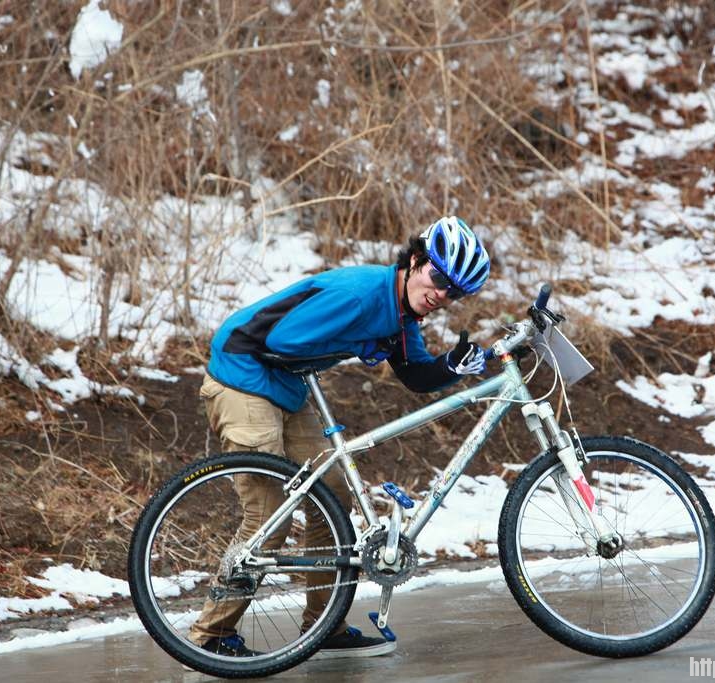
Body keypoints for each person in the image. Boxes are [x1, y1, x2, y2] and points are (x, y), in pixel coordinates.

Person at [187, 216, 491, 658]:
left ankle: (323, 626)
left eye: (455, 292)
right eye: (440, 278)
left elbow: (415, 375)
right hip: (243, 376)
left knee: (332, 501)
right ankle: (210, 637)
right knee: (270, 517)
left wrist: (452, 365)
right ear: (416, 261)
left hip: (285, 387)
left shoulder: (401, 313)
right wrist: (368, 344)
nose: (442, 295)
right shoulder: (361, 296)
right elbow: (282, 340)